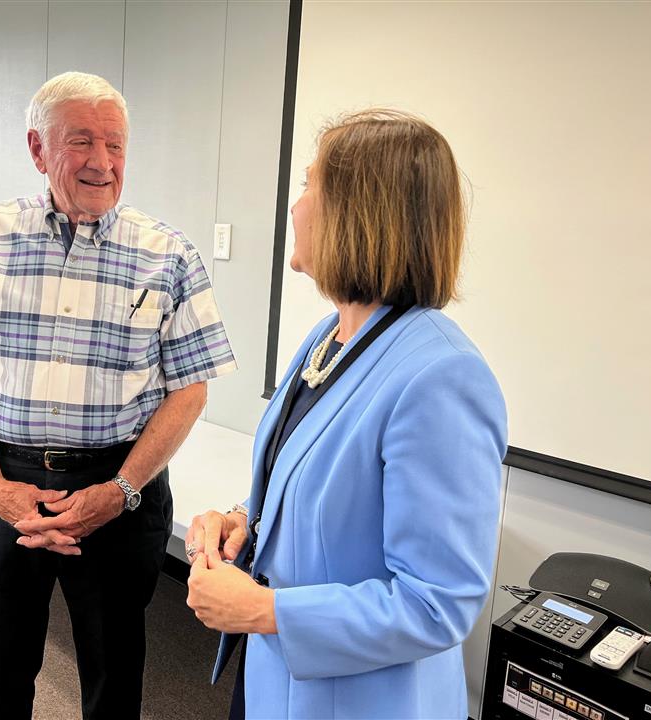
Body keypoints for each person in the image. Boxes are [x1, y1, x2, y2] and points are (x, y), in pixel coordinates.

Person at [0, 71, 236, 720]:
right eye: (81, 141)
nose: (102, 162)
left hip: (122, 487)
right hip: (7, 483)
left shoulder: (168, 255)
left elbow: (189, 390)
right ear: (37, 149)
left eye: (116, 145)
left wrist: (120, 491)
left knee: (115, 684)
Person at [185, 109, 507, 719]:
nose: (295, 204)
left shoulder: (440, 376)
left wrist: (263, 610)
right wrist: (242, 521)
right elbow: (326, 493)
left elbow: (438, 602)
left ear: (359, 211)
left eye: (309, 184)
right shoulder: (329, 337)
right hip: (276, 679)